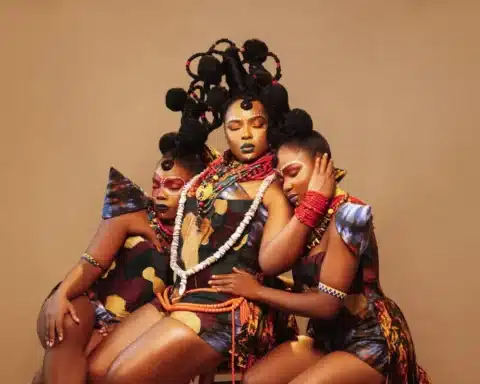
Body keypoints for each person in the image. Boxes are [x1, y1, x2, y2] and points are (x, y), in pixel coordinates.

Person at [88, 38, 317, 384]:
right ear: (222, 130)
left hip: (231, 310)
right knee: (96, 370)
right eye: (235, 126)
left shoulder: (275, 184)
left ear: (271, 125)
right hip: (180, 296)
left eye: (256, 124)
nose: (246, 134)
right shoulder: (207, 174)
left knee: (123, 377)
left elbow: (273, 262)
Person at [210, 123, 432, 383]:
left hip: (369, 339)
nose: (288, 186)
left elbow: (328, 304)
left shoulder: (350, 214)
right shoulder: (304, 219)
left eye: (293, 173)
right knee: (255, 380)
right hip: (326, 339)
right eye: (281, 179)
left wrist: (258, 291)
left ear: (321, 164)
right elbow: (271, 264)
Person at [33, 129, 216, 384]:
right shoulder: (133, 213)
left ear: (197, 188)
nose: (160, 193)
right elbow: (92, 262)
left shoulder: (201, 238)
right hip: (87, 304)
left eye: (173, 186)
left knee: (82, 371)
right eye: (157, 184)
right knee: (67, 322)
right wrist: (61, 295)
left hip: (130, 329)